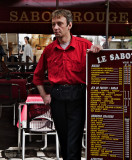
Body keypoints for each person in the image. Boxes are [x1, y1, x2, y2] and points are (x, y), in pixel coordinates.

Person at [33, 9, 102, 160]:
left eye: (60, 24)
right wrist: (44, 95)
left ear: (69, 25)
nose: (56, 27)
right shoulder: (50, 49)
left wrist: (99, 51)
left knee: (73, 140)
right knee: (63, 139)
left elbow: (102, 64)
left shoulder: (85, 45)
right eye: (53, 24)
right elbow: (37, 76)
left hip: (78, 95)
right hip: (57, 96)